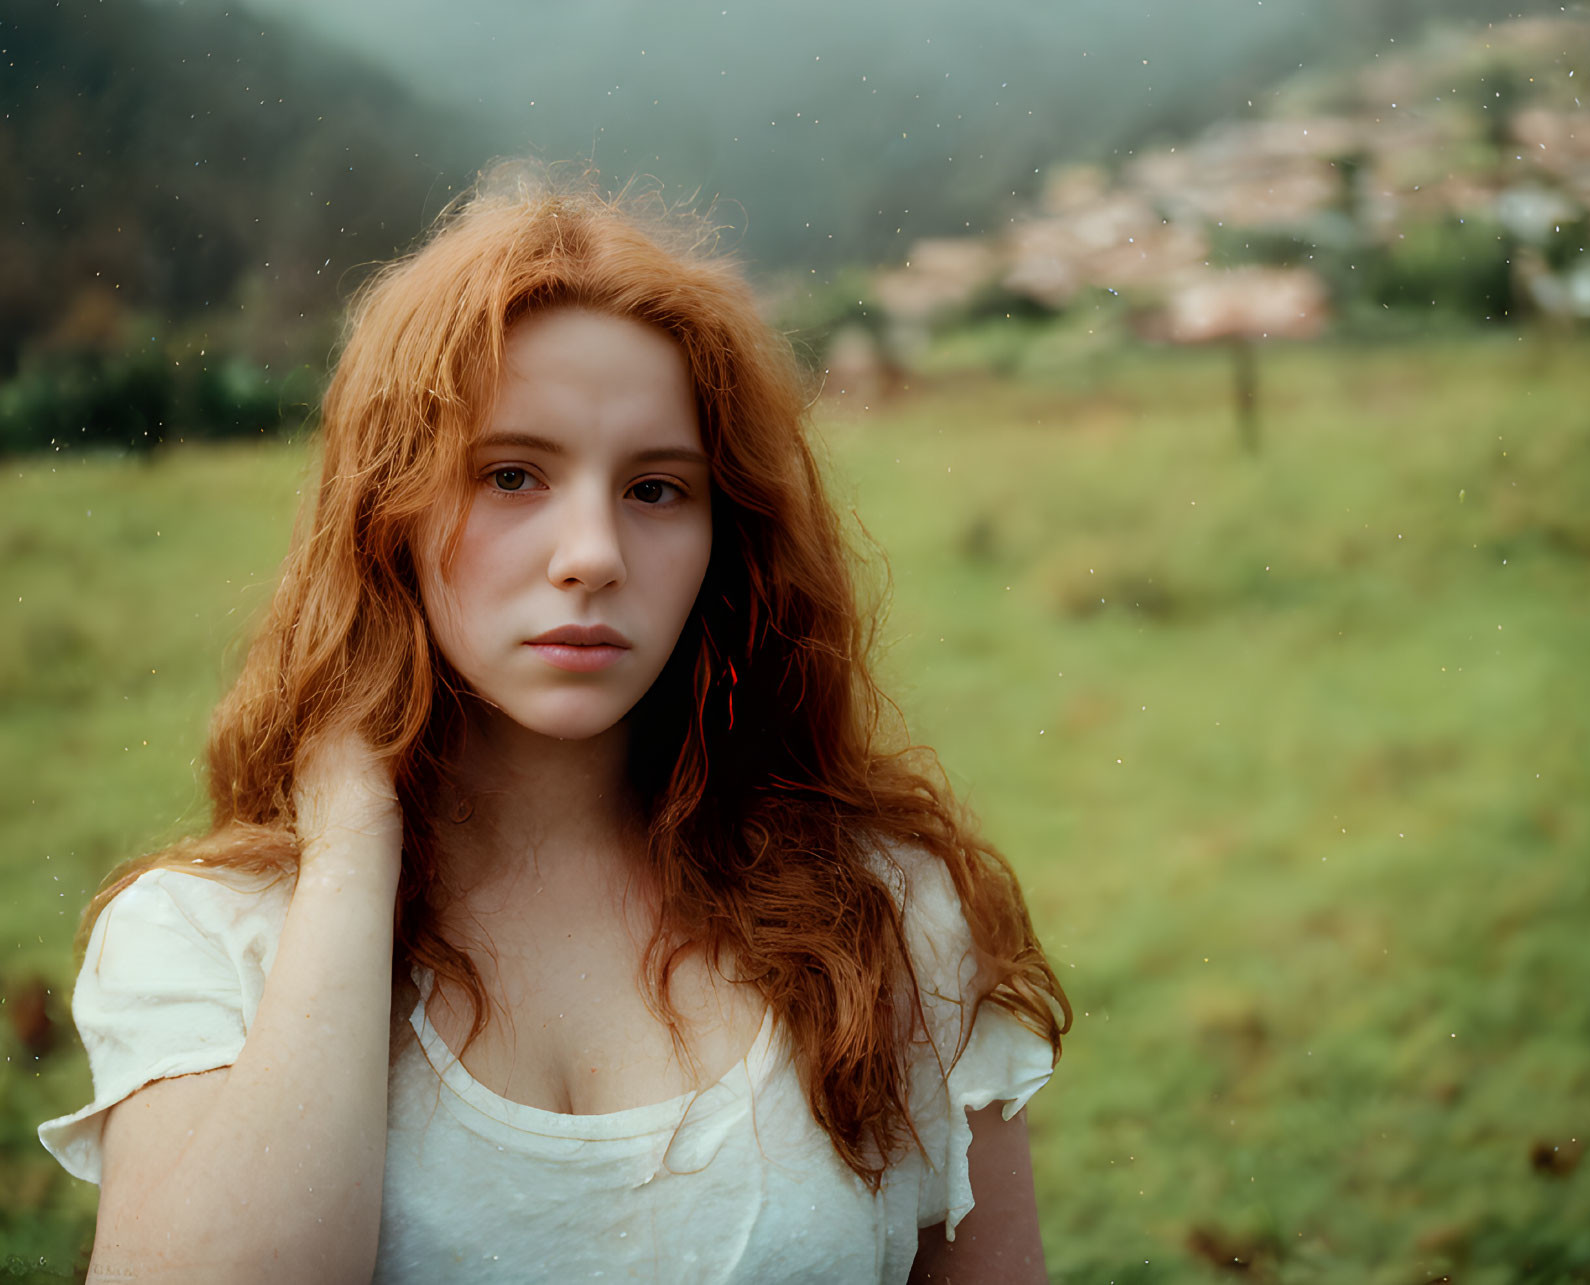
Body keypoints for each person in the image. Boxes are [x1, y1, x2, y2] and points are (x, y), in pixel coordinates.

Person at [38, 163, 1070, 1283]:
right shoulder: (204, 938)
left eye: (657, 489)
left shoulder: (893, 915)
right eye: (513, 475)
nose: (592, 555)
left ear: (729, 541)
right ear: (388, 514)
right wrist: (348, 856)